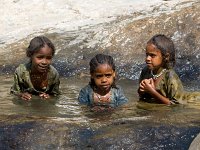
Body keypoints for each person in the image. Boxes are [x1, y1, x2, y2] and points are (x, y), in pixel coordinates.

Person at [138, 34, 200, 105]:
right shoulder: (146, 71)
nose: (147, 59)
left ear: (166, 57)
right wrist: (142, 90)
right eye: (147, 55)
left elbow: (176, 104)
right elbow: (142, 96)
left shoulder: (170, 76)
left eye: (152, 55)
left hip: (190, 101)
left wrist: (152, 91)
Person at [10, 36, 60, 101]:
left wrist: (49, 97)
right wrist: (21, 95)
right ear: (30, 55)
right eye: (40, 57)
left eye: (48, 58)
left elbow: (56, 95)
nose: (44, 62)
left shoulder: (53, 74)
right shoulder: (21, 72)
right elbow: (14, 92)